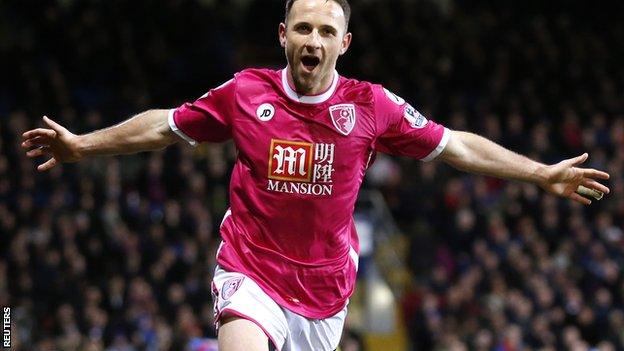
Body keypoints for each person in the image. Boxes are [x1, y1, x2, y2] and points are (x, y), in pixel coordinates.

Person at [21, 0, 610, 350]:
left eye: (326, 31)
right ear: (284, 35)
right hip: (249, 268)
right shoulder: (246, 91)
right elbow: (164, 127)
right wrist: (82, 147)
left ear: (344, 43)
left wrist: (539, 174)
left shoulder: (371, 106)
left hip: (325, 293)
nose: (313, 39)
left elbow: (454, 145)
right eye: (302, 28)